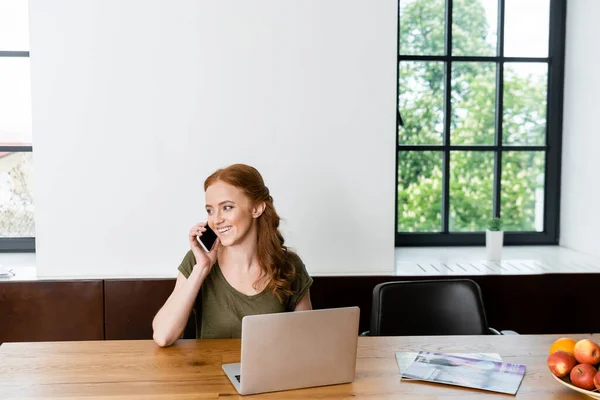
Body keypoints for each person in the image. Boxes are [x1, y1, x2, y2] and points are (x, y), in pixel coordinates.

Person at [152, 164, 313, 346]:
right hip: (211, 372)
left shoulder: (289, 265)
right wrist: (202, 268)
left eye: (227, 207)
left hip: (269, 373)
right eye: (210, 210)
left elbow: (305, 340)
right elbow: (163, 336)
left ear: (256, 209)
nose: (216, 219)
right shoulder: (197, 261)